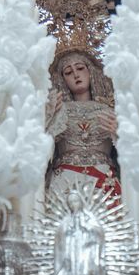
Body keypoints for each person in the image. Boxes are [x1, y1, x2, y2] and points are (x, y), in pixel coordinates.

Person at [45, 49, 122, 203]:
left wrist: (119, 133)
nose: (76, 75)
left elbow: (127, 150)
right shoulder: (58, 110)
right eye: (68, 72)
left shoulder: (109, 110)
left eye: (80, 68)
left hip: (104, 178)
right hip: (65, 179)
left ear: (91, 71)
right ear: (62, 80)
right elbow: (42, 147)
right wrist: (47, 116)